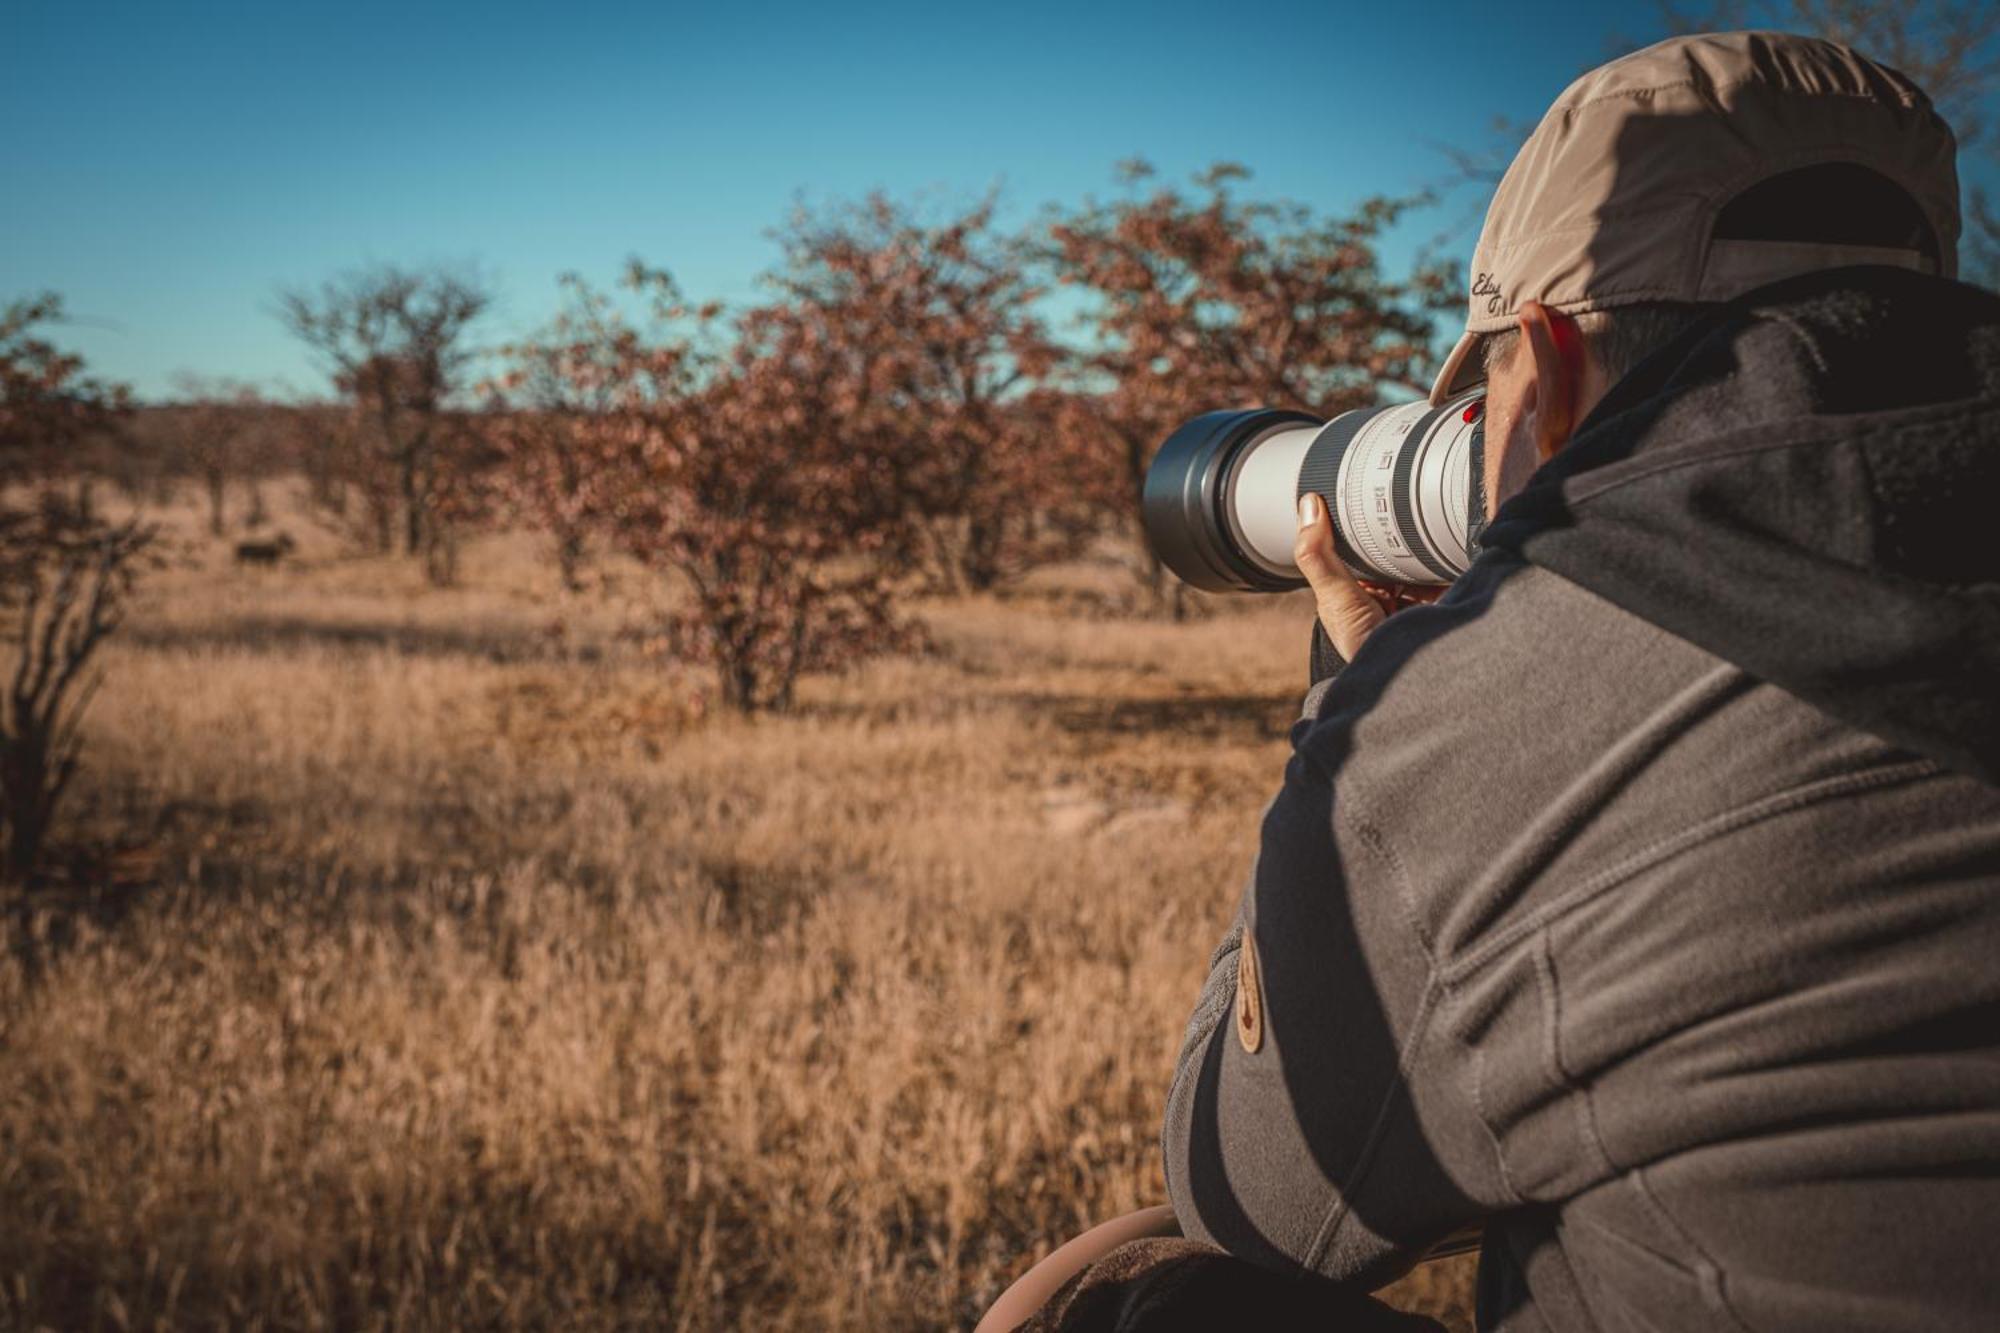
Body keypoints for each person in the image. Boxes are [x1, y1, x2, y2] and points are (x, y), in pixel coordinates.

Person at [998, 28, 2000, 1333]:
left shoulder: (1499, 722)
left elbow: (1242, 1195)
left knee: (1120, 1295)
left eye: (1490, 394)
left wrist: (1360, 719)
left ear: (1553, 360)